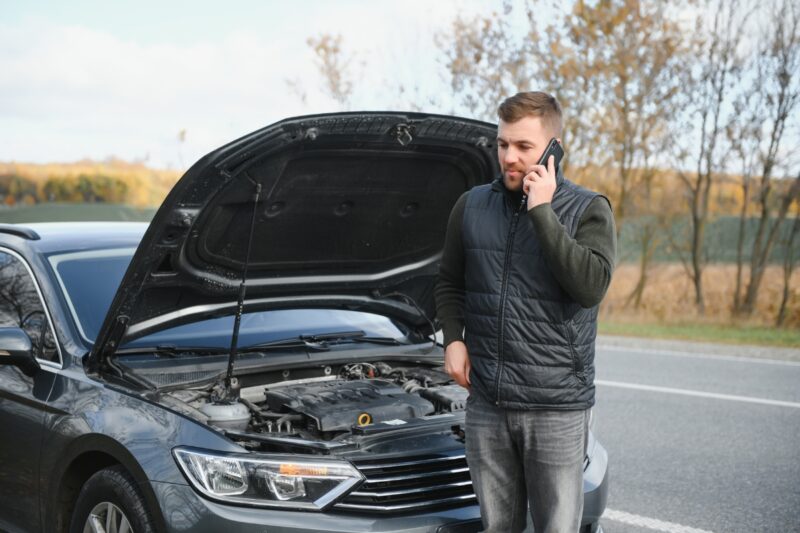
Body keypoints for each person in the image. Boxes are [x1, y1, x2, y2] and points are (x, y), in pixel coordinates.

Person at [435, 91, 616, 533]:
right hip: (488, 405)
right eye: (503, 145)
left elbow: (590, 287)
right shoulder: (471, 206)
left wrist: (542, 212)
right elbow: (448, 282)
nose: (509, 157)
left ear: (553, 149)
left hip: (555, 407)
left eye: (524, 147)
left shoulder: (589, 209)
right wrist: (454, 338)